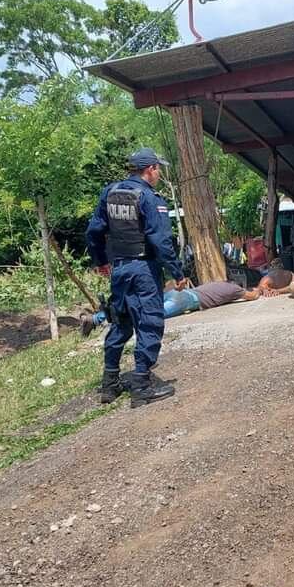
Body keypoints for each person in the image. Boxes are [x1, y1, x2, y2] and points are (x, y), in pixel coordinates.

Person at [85, 148, 185, 408]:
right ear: (150, 169)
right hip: (144, 270)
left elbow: (94, 230)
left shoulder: (110, 192)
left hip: (119, 269)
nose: (159, 173)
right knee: (149, 323)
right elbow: (160, 241)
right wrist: (177, 273)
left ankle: (110, 385)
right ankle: (141, 386)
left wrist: (101, 261)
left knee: (121, 321)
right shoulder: (150, 198)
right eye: (158, 168)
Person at [81, 280, 261, 336]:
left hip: (179, 292)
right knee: (146, 315)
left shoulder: (218, 283)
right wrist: (259, 289)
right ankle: (105, 319)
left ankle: (96, 318)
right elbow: (252, 296)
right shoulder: (235, 289)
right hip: (187, 301)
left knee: (141, 306)